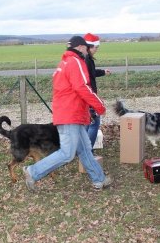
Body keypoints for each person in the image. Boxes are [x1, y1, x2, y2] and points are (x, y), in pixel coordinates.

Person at [22, 36, 112, 191]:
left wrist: (86, 112)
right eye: (86, 47)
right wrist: (100, 106)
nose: (88, 50)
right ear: (81, 47)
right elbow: (82, 87)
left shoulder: (65, 63)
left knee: (85, 149)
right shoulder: (76, 62)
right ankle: (32, 172)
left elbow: (71, 91)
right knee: (67, 153)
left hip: (72, 114)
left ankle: (99, 180)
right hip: (70, 115)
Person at [83, 33, 111, 149]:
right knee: (94, 122)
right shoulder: (87, 60)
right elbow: (88, 79)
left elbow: (92, 72)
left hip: (85, 96)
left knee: (87, 123)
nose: (97, 50)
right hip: (88, 96)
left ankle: (83, 150)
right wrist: (95, 98)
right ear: (89, 46)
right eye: (96, 47)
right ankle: (88, 151)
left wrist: (103, 72)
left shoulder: (84, 58)